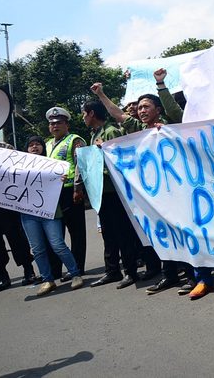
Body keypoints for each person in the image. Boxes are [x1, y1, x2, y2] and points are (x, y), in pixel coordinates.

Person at [151, 68, 214, 300]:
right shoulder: (188, 119)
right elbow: (172, 110)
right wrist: (161, 85)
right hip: (193, 187)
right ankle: (203, 278)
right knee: (197, 229)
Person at [90, 84, 168, 288]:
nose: (141, 111)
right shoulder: (139, 129)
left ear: (158, 110)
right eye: (139, 107)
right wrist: (101, 94)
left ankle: (190, 272)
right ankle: (169, 274)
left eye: (146, 107)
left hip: (171, 189)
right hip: (148, 190)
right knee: (157, 230)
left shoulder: (167, 126)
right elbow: (118, 114)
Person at [78, 99, 140, 290]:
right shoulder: (93, 134)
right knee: (108, 233)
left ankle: (130, 271)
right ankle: (112, 270)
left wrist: (101, 151)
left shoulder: (110, 131)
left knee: (122, 232)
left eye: (83, 113)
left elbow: (118, 161)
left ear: (91, 114)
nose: (82, 118)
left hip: (113, 191)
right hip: (101, 191)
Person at [18, 134, 85, 296]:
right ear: (26, 149)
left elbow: (62, 177)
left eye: (37, 144)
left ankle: (75, 274)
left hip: (50, 211)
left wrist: (60, 179)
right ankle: (48, 280)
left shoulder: (53, 165)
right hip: (28, 213)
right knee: (38, 249)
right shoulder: (19, 167)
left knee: (57, 244)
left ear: (43, 147)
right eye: (31, 145)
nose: (34, 147)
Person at [0, 134, 37, 291]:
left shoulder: (5, 148)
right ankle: (2, 276)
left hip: (6, 203)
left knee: (17, 237)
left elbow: (19, 170)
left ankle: (28, 270)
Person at [44, 107, 88, 278]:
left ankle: (77, 267)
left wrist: (78, 188)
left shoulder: (74, 140)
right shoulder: (47, 144)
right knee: (55, 234)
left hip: (70, 191)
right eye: (52, 124)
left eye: (59, 123)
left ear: (66, 124)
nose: (55, 126)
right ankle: (55, 270)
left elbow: (80, 165)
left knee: (76, 232)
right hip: (52, 195)